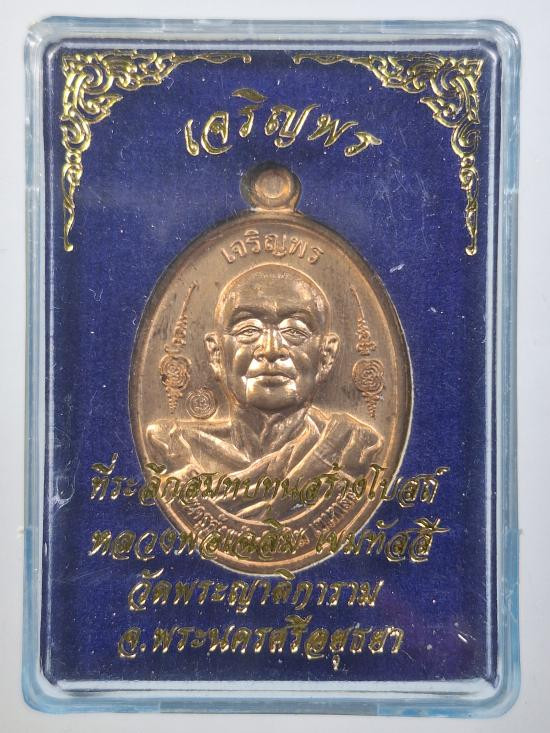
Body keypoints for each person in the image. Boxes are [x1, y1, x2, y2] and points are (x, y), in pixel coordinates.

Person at [147, 263, 383, 520]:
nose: (271, 349)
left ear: (326, 356)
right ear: (216, 354)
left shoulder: (349, 447)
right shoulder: (177, 447)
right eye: (248, 330)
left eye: (294, 331)